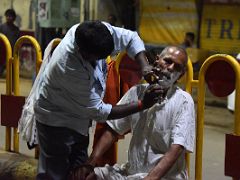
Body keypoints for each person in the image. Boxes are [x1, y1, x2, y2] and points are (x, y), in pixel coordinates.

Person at [21, 20, 159, 180]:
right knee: (55, 172)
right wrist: (142, 104)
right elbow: (99, 111)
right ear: (84, 53)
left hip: (79, 118)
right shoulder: (68, 67)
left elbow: (131, 38)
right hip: (56, 120)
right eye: (98, 58)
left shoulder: (97, 32)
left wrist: (144, 66)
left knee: (79, 171)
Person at [71, 46, 196, 180]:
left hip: (164, 177)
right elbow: (113, 130)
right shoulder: (137, 92)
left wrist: (150, 178)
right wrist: (90, 164)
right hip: (130, 173)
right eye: (167, 61)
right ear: (157, 60)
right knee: (83, 176)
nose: (170, 68)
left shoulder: (184, 101)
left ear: (181, 75)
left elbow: (177, 148)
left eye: (176, 67)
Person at [0, 9, 20, 75]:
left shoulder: (16, 29)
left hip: (12, 51)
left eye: (10, 16)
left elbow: (18, 41)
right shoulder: (1, 27)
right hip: (2, 52)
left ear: (14, 18)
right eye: (7, 16)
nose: (8, 18)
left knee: (12, 72)